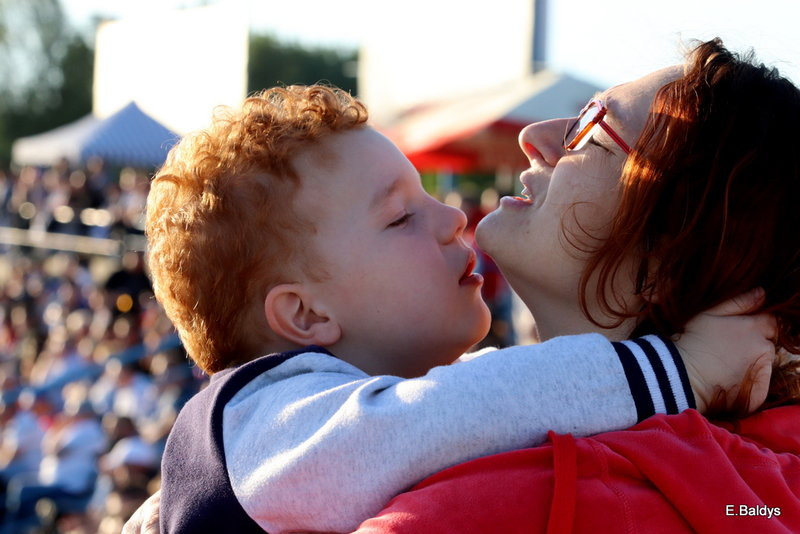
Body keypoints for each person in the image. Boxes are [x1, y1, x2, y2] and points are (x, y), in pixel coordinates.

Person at [139, 85, 776, 534]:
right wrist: (675, 370)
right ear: (305, 317)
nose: (452, 219)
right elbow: (463, 408)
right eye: (400, 218)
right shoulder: (263, 423)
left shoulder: (282, 441)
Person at [354, 39, 800, 533]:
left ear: (668, 257)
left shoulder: (476, 510)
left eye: (592, 127)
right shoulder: (772, 479)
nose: (533, 135)